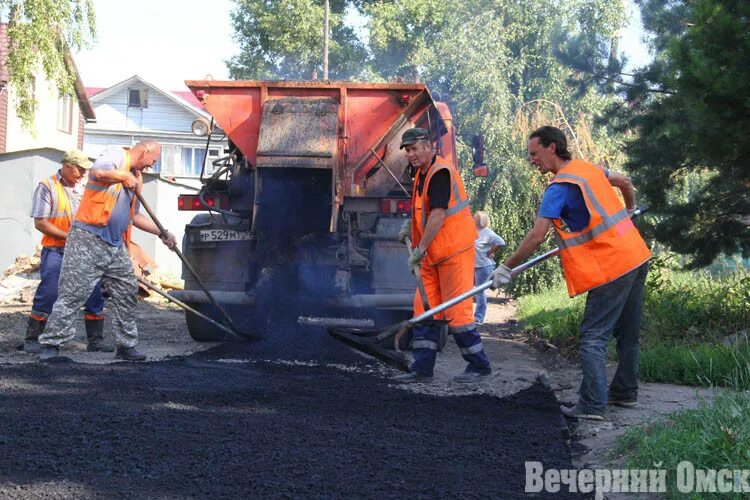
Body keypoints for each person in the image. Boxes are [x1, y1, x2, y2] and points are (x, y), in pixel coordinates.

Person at [492, 126, 650, 420]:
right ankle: (624, 393)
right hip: (636, 255)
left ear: (552, 147)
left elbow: (537, 236)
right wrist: (630, 213)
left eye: (534, 154)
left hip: (612, 264)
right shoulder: (587, 169)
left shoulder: (559, 187)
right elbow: (625, 181)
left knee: (592, 336)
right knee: (628, 333)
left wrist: (506, 267)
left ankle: (592, 406)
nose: (532, 160)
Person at [37, 141, 177, 361]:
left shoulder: (136, 177)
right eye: (153, 160)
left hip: (114, 245)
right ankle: (50, 346)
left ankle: (126, 346)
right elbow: (98, 171)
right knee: (72, 294)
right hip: (88, 239)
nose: (152, 165)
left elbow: (134, 216)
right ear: (145, 151)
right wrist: (123, 176)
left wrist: (162, 232)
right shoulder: (116, 155)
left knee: (127, 292)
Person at [396, 128, 492, 383]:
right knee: (426, 310)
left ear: (429, 147)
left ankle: (479, 366)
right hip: (432, 254)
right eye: (407, 150)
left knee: (457, 313)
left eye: (415, 148)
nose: (411, 154)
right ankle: (422, 369)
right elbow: (424, 212)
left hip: (453, 252)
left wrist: (419, 250)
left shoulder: (440, 172)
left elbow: (438, 215)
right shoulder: (421, 173)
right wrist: (411, 227)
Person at [23, 150, 112, 354]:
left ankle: (96, 340)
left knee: (93, 292)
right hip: (57, 250)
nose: (82, 173)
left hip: (84, 251)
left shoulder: (85, 188)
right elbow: (41, 222)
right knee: (50, 291)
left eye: (84, 170)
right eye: (80, 169)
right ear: (68, 165)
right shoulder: (47, 186)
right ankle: (33, 339)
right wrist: (69, 237)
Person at [472, 211, 505, 324]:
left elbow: (501, 242)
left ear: (481, 220)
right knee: (465, 290)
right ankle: (464, 316)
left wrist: (491, 251)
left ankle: (478, 318)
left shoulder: (487, 233)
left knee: (480, 291)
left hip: (483, 266)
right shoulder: (471, 231)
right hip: (471, 266)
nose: (472, 218)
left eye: (475, 217)